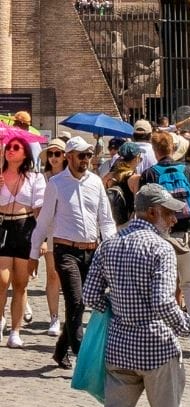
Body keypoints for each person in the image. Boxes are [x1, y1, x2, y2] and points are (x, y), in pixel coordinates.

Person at [84, 184, 190, 407]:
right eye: (169, 213)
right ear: (153, 212)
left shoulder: (109, 244)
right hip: (156, 349)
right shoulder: (160, 248)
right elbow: (163, 303)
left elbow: (90, 297)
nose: (174, 219)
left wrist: (118, 304)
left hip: (118, 348)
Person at [29, 136, 117, 367]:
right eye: (81, 155)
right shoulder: (56, 184)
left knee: (84, 301)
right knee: (75, 301)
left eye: (88, 155)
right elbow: (44, 220)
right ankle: (82, 352)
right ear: (69, 157)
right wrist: (33, 253)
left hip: (92, 250)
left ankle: (60, 350)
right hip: (65, 250)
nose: (86, 159)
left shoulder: (96, 183)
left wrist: (111, 247)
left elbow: (106, 220)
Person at [139, 132, 190, 321]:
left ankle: (166, 327)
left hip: (160, 236)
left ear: (155, 150)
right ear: (173, 148)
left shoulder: (150, 174)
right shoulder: (189, 171)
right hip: (188, 234)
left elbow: (142, 208)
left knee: (164, 284)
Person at [0, 132, 45, 347]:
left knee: (20, 283)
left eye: (16, 147)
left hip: (25, 227)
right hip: (2, 228)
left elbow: (39, 210)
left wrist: (42, 239)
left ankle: (15, 331)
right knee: (1, 281)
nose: (10, 150)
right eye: (8, 147)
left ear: (25, 153)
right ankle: (0, 319)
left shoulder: (35, 178)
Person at [39, 137, 68, 336]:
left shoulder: (72, 176)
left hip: (69, 229)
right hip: (50, 229)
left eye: (57, 154)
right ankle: (54, 317)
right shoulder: (43, 178)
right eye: (50, 154)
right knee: (52, 274)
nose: (53, 158)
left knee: (71, 277)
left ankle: (72, 317)